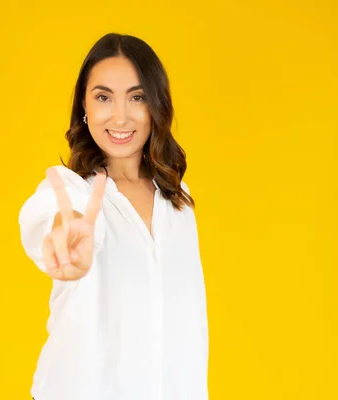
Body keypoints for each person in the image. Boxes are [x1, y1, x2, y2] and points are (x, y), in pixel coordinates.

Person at [18, 33, 208, 400]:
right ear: (84, 108)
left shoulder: (180, 203)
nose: (120, 116)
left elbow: (190, 336)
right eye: (103, 97)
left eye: (136, 97)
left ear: (156, 105)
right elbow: (50, 216)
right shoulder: (75, 192)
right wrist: (64, 237)